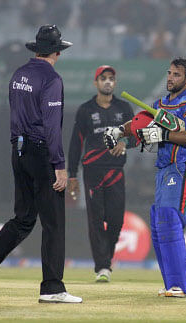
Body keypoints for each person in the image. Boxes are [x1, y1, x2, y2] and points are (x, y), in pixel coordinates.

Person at [0, 24, 82, 303]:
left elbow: (16, 114)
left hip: (18, 151)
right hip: (42, 154)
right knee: (54, 223)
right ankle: (52, 288)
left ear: (36, 48)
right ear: (57, 51)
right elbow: (52, 127)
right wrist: (60, 164)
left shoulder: (19, 74)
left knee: (24, 218)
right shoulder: (52, 79)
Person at [103, 57, 186, 297]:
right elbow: (140, 123)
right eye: (169, 73)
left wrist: (162, 135)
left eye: (176, 75)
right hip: (163, 168)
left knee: (169, 219)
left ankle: (181, 286)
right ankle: (171, 285)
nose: (170, 77)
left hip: (181, 166)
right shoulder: (160, 103)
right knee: (159, 222)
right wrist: (119, 132)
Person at [67, 65, 135, 282]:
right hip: (93, 172)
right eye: (103, 78)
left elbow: (136, 135)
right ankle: (102, 267)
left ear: (115, 83)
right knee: (96, 220)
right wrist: (72, 175)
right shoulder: (86, 110)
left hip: (115, 171)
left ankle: (106, 259)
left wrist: (124, 142)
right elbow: (76, 143)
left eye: (111, 78)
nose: (107, 82)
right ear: (95, 82)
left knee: (116, 221)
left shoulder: (124, 109)